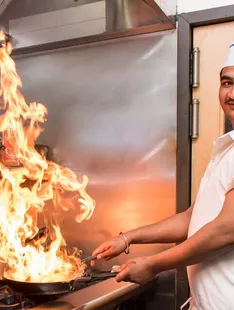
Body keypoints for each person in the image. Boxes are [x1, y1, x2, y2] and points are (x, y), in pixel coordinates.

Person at [92, 42, 234, 310]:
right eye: (227, 82)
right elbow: (193, 218)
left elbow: (226, 230)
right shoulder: (227, 149)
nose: (232, 94)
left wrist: (153, 265)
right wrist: (127, 238)